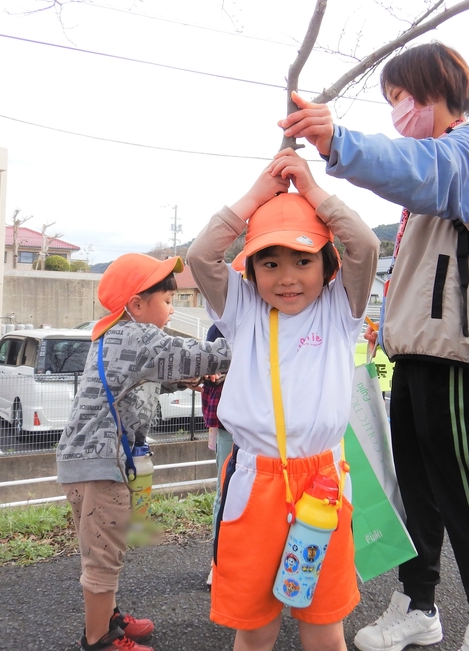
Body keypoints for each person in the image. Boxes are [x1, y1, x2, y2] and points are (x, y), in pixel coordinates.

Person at [280, 41, 469, 651]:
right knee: (416, 491)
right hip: (419, 356)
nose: (396, 113)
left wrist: (340, 143)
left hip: (460, 358)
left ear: (434, 92)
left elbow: (416, 168)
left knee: (466, 495)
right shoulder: (440, 169)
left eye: (400, 99)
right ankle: (420, 605)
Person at [188, 148, 380, 651]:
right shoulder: (242, 309)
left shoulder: (341, 309)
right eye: (269, 262)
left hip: (323, 483)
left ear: (328, 264)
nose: (287, 277)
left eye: (303, 259)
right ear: (250, 271)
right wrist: (256, 196)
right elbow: (199, 256)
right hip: (255, 482)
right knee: (254, 628)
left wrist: (312, 190)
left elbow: (363, 243)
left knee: (324, 626)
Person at [56, 253, 231, 651]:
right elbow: (199, 354)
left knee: (103, 546)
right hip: (103, 465)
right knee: (103, 557)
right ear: (137, 305)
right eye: (167, 300)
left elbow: (135, 380)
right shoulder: (139, 336)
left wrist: (179, 381)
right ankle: (99, 640)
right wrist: (254, 340)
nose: (172, 309)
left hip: (84, 460)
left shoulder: (112, 334)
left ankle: (109, 620)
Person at [200, 323, 231, 586]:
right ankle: (218, 561)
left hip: (268, 423)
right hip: (229, 423)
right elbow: (207, 369)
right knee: (226, 490)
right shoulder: (218, 328)